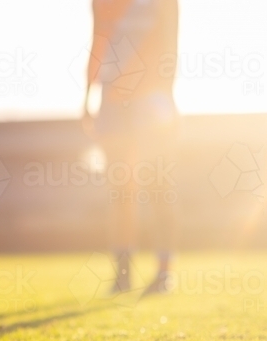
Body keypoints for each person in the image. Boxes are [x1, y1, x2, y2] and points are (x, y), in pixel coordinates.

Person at [84, 0, 180, 295]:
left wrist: (158, 95)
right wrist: (88, 95)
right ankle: (123, 273)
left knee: (157, 185)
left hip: (150, 99)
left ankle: (164, 273)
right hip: (112, 100)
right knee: (121, 190)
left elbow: (168, 45)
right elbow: (99, 40)